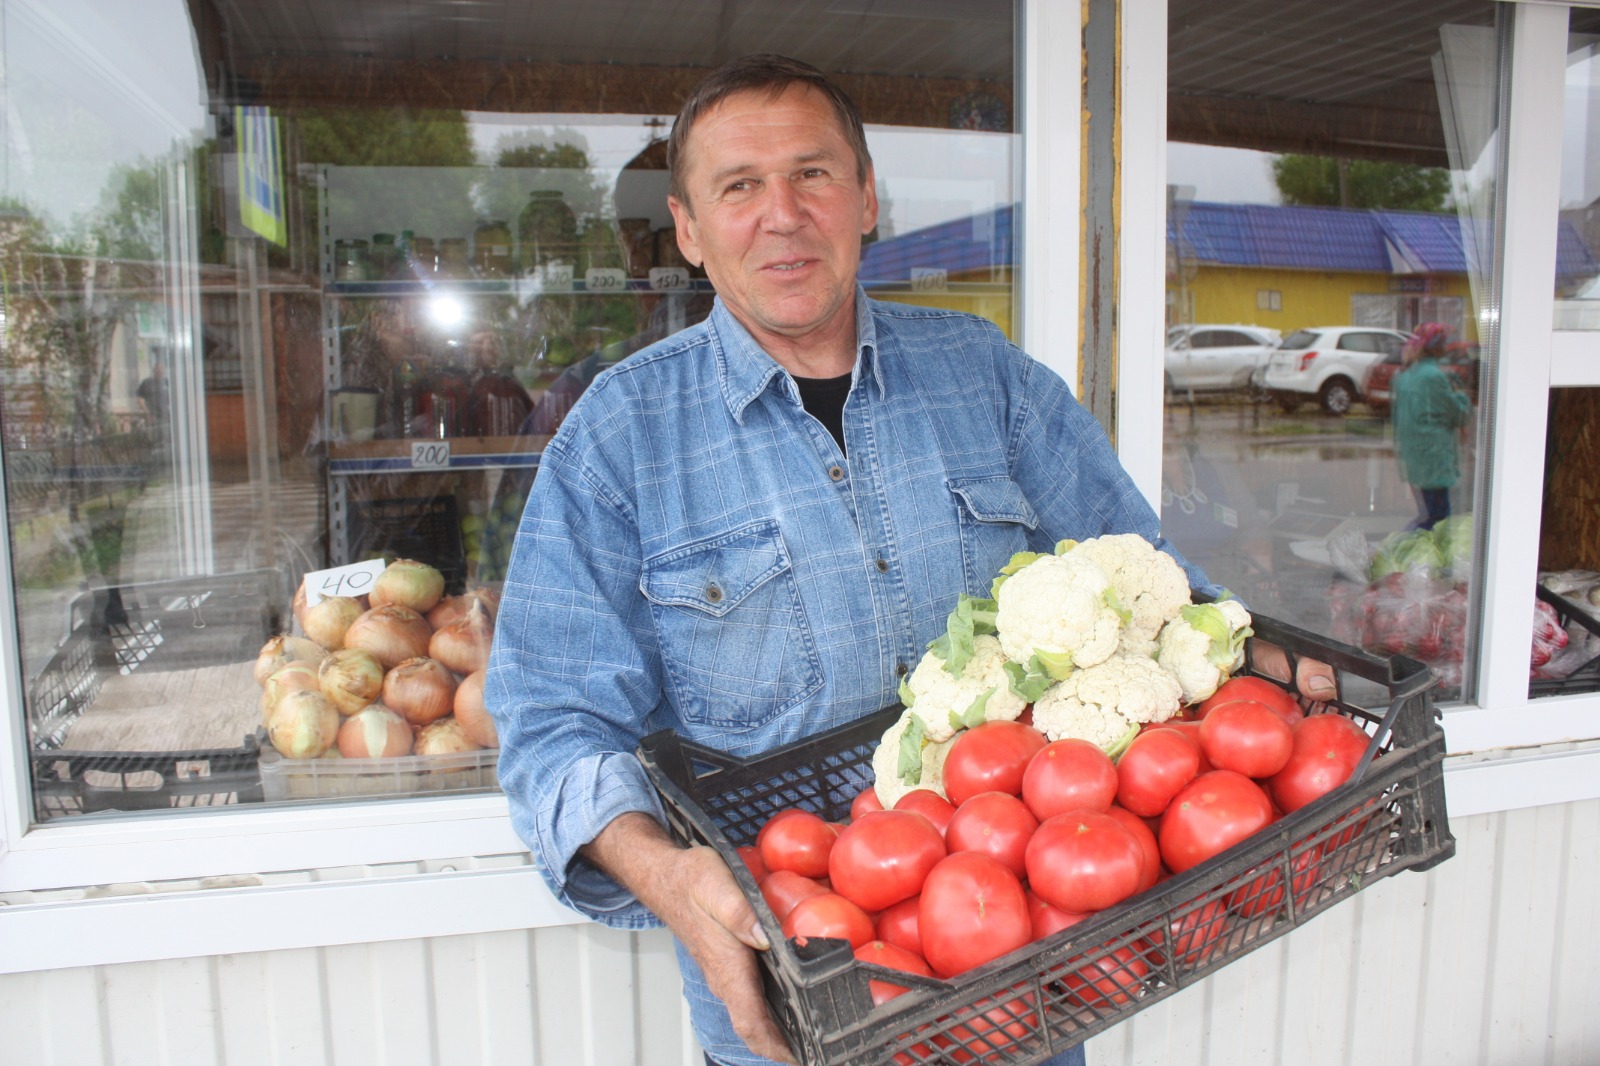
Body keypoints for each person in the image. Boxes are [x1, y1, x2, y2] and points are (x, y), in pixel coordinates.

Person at [486, 54, 1335, 1066]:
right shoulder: (617, 438)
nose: (782, 214)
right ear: (689, 229)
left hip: (1023, 973)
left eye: (813, 174)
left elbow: (1139, 571)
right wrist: (671, 881)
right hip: (792, 994)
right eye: (739, 186)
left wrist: (1248, 660)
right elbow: (551, 727)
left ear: (867, 198)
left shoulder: (987, 378)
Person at [1391, 322, 1471, 531]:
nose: (1447, 346)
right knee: (1438, 518)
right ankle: (1420, 550)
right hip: (1433, 455)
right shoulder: (1433, 376)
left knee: (1428, 510)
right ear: (1434, 346)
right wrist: (1461, 395)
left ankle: (1416, 549)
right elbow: (1456, 412)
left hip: (1417, 453)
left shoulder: (1409, 374)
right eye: (1443, 342)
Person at [136, 359, 169, 425]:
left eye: (161, 368)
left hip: (166, 416)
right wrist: (146, 412)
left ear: (164, 370)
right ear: (154, 370)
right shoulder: (147, 382)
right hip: (152, 416)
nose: (159, 371)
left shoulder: (167, 382)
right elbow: (139, 398)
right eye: (157, 369)